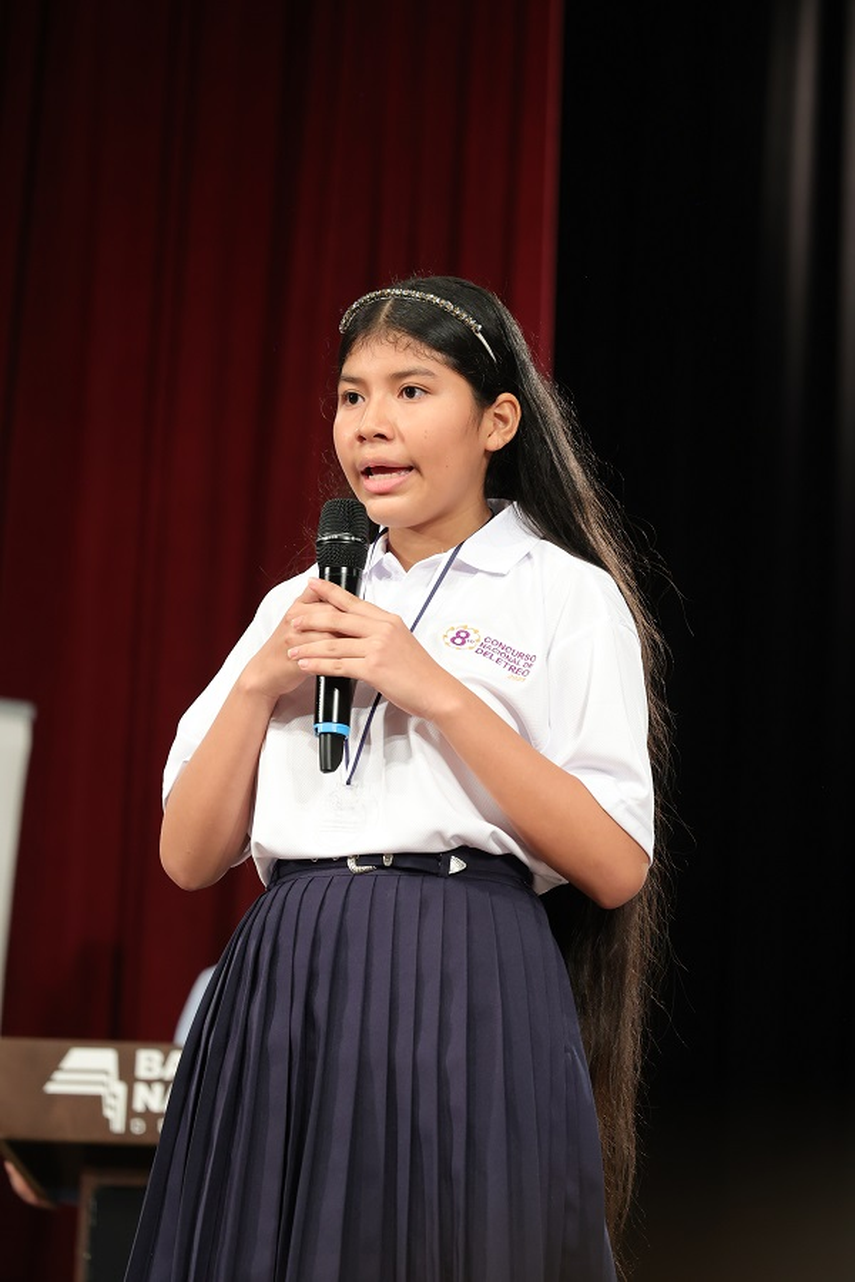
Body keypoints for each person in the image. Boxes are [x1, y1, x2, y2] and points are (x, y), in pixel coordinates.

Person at [124, 275, 669, 1282]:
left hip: (469, 973)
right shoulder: (299, 600)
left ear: (498, 419)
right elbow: (188, 856)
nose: (372, 424)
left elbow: (615, 864)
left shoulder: (565, 595)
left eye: (411, 391)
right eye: (351, 395)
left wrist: (438, 692)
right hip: (291, 982)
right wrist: (255, 688)